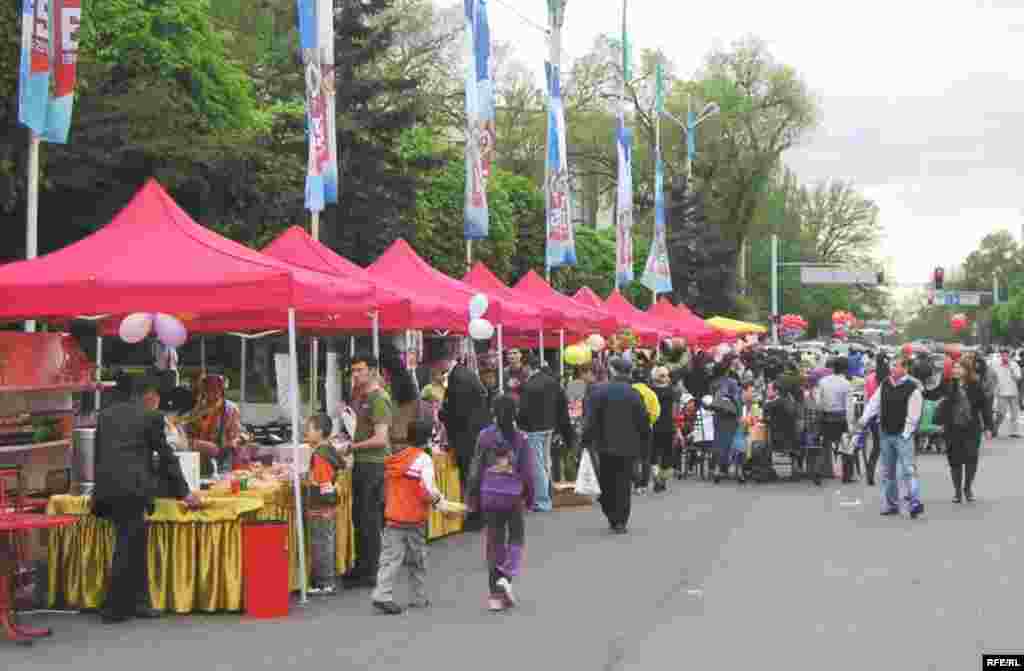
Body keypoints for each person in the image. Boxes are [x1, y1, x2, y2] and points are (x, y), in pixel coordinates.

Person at [93, 377, 200, 623]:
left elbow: (99, 454)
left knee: (134, 542)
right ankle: (113, 608)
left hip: (108, 487)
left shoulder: (106, 415)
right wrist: (184, 492)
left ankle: (140, 602)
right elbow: (166, 456)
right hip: (133, 489)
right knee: (127, 544)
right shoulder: (151, 417)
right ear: (150, 396)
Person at [372, 418, 453, 614]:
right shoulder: (424, 460)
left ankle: (382, 594)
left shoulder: (397, 458)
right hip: (414, 518)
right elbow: (427, 489)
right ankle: (418, 596)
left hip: (393, 517)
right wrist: (441, 505)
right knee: (418, 559)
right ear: (427, 439)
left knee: (391, 559)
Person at [467, 396, 535, 612]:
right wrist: (530, 496)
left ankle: (495, 597)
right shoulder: (521, 438)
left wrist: (472, 497)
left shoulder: (485, 436)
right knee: (516, 538)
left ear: (493, 412)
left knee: (494, 543)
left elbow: (475, 469)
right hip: (513, 496)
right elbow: (528, 472)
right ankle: (506, 576)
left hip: (489, 494)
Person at [581, 356, 651, 534]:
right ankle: (621, 519)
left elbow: (591, 420)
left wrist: (585, 440)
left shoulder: (599, 392)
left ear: (612, 370)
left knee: (607, 481)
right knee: (623, 484)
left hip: (605, 445)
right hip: (628, 446)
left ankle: (612, 513)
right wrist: (644, 444)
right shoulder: (635, 394)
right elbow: (643, 422)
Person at [343, 351, 393, 588]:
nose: (355, 374)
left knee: (369, 519)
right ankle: (363, 566)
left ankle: (371, 570)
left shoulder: (378, 398)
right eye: (353, 371)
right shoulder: (361, 396)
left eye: (359, 370)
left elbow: (381, 439)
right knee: (360, 517)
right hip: (363, 462)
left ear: (372, 371)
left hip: (374, 464)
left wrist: (352, 446)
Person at [858, 355, 925, 519]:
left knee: (908, 470)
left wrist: (906, 433)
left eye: (896, 366)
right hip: (886, 433)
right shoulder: (885, 384)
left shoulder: (912, 388)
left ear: (905, 369)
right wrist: (864, 419)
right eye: (892, 366)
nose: (893, 369)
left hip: (903, 435)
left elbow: (914, 415)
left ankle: (915, 502)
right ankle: (892, 504)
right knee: (888, 472)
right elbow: (874, 403)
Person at [439, 353, 490, 527]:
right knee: (475, 474)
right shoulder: (465, 373)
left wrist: (443, 414)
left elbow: (457, 411)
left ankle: (475, 517)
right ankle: (479, 515)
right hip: (475, 432)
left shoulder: (458, 377)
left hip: (467, 435)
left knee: (471, 475)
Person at [518, 354, 574, 509]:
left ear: (528, 366)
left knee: (537, 465)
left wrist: (520, 426)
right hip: (549, 427)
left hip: (533, 429)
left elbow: (523, 411)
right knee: (545, 463)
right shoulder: (552, 381)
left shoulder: (529, 386)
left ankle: (542, 501)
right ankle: (546, 496)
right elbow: (562, 405)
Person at [938, 356, 992, 503]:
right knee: (954, 460)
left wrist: (988, 427)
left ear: (967, 370)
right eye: (954, 367)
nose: (955, 370)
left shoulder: (975, 385)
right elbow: (935, 395)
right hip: (952, 428)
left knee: (971, 458)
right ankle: (957, 491)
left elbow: (985, 407)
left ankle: (967, 488)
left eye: (959, 367)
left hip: (971, 428)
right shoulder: (948, 384)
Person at [305, 414, 343, 595]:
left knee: (321, 544)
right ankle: (325, 580)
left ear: (319, 432)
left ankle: (324, 582)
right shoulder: (330, 450)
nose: (307, 432)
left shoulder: (320, 455)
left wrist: (309, 482)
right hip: (328, 506)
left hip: (320, 507)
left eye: (310, 428)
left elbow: (322, 481)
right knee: (326, 542)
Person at [187, 375, 242, 477]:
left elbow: (235, 435)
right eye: (208, 390)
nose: (211, 393)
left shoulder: (230, 408)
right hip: (201, 457)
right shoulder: (198, 408)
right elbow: (190, 431)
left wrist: (224, 445)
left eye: (215, 390)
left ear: (221, 391)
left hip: (223, 456)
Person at [816, 357, 854, 483]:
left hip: (826, 418)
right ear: (844, 369)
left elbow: (818, 402)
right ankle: (847, 476)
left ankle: (818, 473)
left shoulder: (823, 381)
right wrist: (850, 425)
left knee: (824, 445)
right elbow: (849, 407)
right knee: (846, 446)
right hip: (841, 419)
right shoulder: (847, 384)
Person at [710, 359, 742, 484]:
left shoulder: (713, 384)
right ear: (727, 370)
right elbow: (737, 400)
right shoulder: (733, 382)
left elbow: (713, 400)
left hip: (718, 416)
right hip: (731, 417)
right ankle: (734, 468)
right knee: (733, 441)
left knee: (719, 441)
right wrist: (739, 414)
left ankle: (717, 470)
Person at [650, 366, 681, 492]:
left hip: (654, 425)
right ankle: (662, 479)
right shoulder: (672, 392)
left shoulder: (650, 390)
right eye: (664, 375)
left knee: (653, 453)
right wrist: (677, 427)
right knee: (667, 454)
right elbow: (675, 411)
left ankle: (657, 477)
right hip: (668, 426)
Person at [631, 367, 661, 493]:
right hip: (646, 427)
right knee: (645, 457)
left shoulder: (629, 391)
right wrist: (650, 421)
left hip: (631, 427)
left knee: (633, 457)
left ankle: (636, 483)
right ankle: (644, 484)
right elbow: (656, 412)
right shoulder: (651, 393)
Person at [863, 353, 890, 486]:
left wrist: (865, 418)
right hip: (889, 417)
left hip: (874, 417)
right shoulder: (890, 379)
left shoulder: (869, 379)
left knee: (876, 447)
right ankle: (889, 475)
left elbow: (867, 400)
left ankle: (870, 472)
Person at [993, 349, 1021, 438]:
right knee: (1001, 413)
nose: (1005, 357)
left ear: (1009, 356)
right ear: (1001, 356)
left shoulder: (1014, 365)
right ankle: (994, 429)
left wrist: (1011, 368)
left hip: (1013, 392)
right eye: (1003, 355)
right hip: (1001, 392)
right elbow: (992, 377)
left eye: (1006, 355)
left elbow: (1018, 377)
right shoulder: (995, 365)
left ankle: (1015, 432)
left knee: (1015, 414)